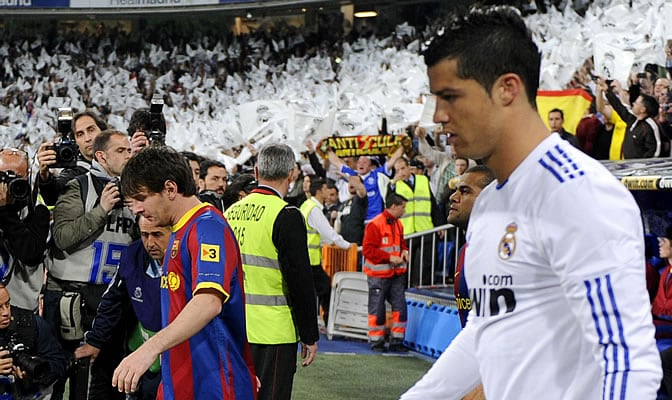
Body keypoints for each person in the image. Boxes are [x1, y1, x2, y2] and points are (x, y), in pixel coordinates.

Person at [402, 6, 661, 399]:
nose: (439, 115)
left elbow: (626, 360)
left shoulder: (578, 194)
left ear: (508, 89)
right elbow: (484, 331)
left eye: (451, 97)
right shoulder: (489, 204)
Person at [115, 146, 256, 399]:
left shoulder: (207, 228)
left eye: (141, 198)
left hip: (215, 383)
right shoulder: (181, 230)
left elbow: (208, 302)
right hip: (184, 380)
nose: (136, 209)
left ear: (170, 189)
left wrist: (149, 349)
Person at [224, 143, 318, 400]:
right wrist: (309, 334)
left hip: (233, 325)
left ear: (256, 171)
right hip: (273, 331)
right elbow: (300, 280)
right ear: (292, 174)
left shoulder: (231, 212)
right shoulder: (286, 214)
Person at [47, 130, 136, 400]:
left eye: (130, 150)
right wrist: (101, 211)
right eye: (121, 151)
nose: (128, 155)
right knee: (63, 378)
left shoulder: (132, 191)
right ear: (101, 156)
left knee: (108, 382)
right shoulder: (78, 186)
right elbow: (62, 237)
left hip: (112, 297)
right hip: (71, 296)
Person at [74, 217, 170, 400]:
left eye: (157, 235)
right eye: (145, 235)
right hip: (139, 351)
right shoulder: (132, 255)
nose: (150, 243)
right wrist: (95, 341)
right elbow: (112, 300)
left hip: (175, 357)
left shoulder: (187, 261)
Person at [0, 148, 50, 311]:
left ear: (28, 176)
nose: (8, 184)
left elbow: (30, 253)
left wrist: (5, 210)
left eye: (17, 178)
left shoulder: (37, 209)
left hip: (23, 309)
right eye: (3, 177)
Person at [299, 177, 353, 325]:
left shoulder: (306, 205)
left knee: (310, 293)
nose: (327, 191)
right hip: (311, 261)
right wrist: (347, 246)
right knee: (324, 291)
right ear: (318, 191)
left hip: (305, 259)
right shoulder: (314, 210)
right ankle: (328, 321)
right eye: (325, 189)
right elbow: (328, 233)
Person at [0, 284, 68, 400]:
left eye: (8, 304)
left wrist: (36, 373)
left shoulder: (29, 324)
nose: (6, 312)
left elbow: (59, 362)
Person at [447, 165, 495, 327]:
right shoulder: (465, 251)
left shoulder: (501, 253)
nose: (453, 197)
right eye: (456, 190)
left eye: (465, 191)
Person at [362, 192, 409, 352]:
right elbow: (368, 251)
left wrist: (404, 251)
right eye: (403, 207)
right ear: (394, 206)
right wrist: (390, 258)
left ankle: (397, 341)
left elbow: (402, 244)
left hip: (396, 274)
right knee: (377, 309)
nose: (404, 211)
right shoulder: (375, 224)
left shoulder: (398, 224)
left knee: (400, 308)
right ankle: (376, 342)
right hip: (378, 275)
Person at [390, 157, 444, 286]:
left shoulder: (423, 180)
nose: (401, 172)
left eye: (403, 168)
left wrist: (440, 224)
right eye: (397, 170)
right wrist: (392, 185)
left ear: (409, 167)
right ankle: (406, 288)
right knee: (407, 263)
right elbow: (388, 205)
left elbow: (433, 204)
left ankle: (426, 286)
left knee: (428, 261)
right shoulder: (394, 185)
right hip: (406, 231)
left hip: (426, 227)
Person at [36, 110, 107, 206]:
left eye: (91, 130)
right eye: (80, 134)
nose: (87, 138)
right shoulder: (76, 171)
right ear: (75, 142)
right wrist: (44, 176)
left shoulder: (122, 156)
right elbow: (53, 196)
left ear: (103, 131)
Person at [328, 146, 405, 222]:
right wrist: (328, 150)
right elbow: (336, 162)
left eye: (364, 162)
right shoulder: (353, 175)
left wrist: (401, 145)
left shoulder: (376, 174)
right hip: (361, 220)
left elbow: (393, 160)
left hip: (377, 218)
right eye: (359, 162)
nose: (361, 165)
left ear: (370, 166)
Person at [601, 78, 662, 158]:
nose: (633, 103)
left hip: (642, 168)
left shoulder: (650, 126)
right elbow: (619, 107)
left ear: (643, 109)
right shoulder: (632, 120)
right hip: (628, 166)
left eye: (636, 103)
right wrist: (607, 90)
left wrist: (645, 167)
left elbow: (655, 150)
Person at [335, 175, 367, 246]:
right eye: (350, 182)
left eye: (355, 182)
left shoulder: (360, 199)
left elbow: (362, 192)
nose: (351, 183)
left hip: (356, 243)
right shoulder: (343, 204)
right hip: (343, 243)